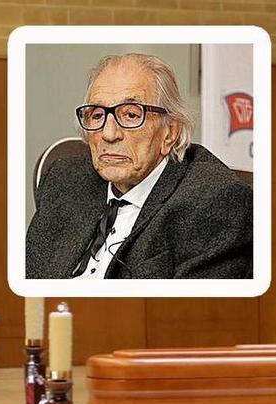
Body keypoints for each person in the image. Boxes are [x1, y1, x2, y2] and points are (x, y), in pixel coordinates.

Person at [26, 53, 252, 279]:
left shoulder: (215, 202)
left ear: (169, 132)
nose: (109, 134)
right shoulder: (63, 178)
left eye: (131, 115)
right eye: (97, 115)